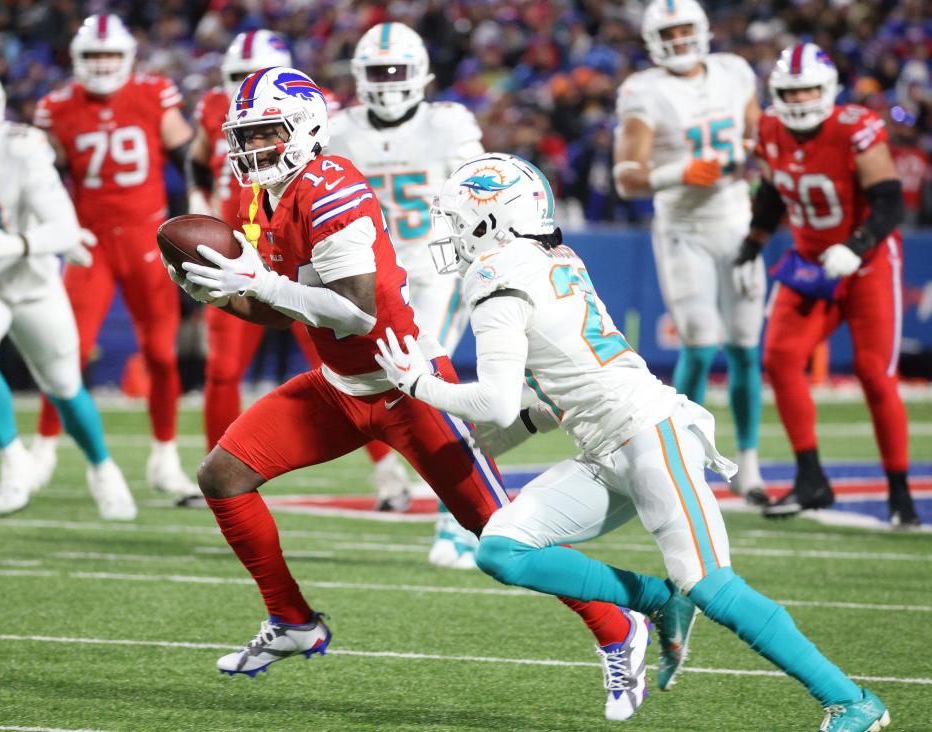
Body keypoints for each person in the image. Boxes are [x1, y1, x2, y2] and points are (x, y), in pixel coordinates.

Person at [170, 67, 667, 721]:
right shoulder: (266, 197)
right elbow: (288, 310)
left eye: (266, 133)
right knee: (224, 475)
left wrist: (257, 285)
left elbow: (351, 314)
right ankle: (292, 621)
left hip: (409, 386)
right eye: (246, 136)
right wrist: (226, 296)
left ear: (307, 127)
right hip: (339, 387)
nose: (252, 149)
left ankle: (618, 625)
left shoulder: (331, 186)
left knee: (500, 531)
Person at [375, 151, 890, 732]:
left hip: (649, 432)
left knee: (713, 585)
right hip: (604, 446)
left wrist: (419, 385)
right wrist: (487, 443)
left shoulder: (494, 276)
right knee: (502, 548)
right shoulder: (548, 255)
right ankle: (656, 600)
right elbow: (547, 398)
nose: (450, 232)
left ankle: (852, 701)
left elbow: (496, 398)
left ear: (495, 218)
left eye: (458, 217)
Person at [188, 30, 409, 513]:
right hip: (244, 238)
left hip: (307, 243)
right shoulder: (214, 110)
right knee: (223, 367)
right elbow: (198, 159)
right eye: (234, 81)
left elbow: (352, 310)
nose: (243, 96)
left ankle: (389, 473)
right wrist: (199, 207)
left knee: (338, 362)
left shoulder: (317, 116)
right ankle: (219, 464)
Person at [734, 44, 920, 526]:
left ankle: (900, 493)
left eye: (808, 90)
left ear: (828, 88)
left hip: (868, 261)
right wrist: (751, 246)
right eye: (790, 92)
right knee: (779, 357)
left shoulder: (854, 127)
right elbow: (774, 193)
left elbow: (890, 202)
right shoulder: (771, 128)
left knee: (873, 373)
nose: (799, 100)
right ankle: (810, 478)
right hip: (811, 262)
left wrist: (856, 247)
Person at [326, 21, 486, 566]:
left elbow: (479, 192)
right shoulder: (340, 129)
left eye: (396, 71)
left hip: (438, 268)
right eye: (377, 73)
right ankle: (463, 508)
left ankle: (460, 520)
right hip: (372, 279)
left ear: (420, 75)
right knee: (398, 390)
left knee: (429, 380)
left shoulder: (448, 125)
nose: (388, 82)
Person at [31, 14, 196, 498]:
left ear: (126, 58)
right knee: (67, 351)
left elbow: (187, 159)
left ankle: (165, 457)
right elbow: (44, 178)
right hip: (91, 241)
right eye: (94, 56)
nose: (103, 65)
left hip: (148, 239)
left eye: (110, 55)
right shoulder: (56, 106)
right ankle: (41, 448)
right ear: (79, 60)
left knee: (162, 354)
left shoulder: (154, 93)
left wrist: (185, 233)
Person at [613, 0, 766, 505]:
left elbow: (758, 136)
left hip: (738, 221)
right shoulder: (644, 91)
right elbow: (625, 177)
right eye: (669, 34)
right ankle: (685, 459)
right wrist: (677, 172)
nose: (679, 43)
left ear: (702, 31)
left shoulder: (734, 72)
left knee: (745, 345)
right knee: (699, 345)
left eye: (685, 32)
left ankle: (749, 466)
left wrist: (751, 157)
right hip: (683, 228)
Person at [0, 61, 135, 520]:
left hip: (32, 280)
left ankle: (102, 467)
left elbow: (63, 224)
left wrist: (22, 243)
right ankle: (13, 460)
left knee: (64, 386)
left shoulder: (22, 149)